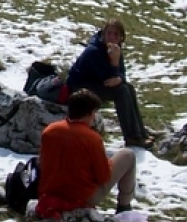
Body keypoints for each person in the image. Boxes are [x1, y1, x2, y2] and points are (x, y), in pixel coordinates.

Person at [33, 89, 137, 220]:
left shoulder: (50, 130)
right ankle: (124, 206)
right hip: (82, 197)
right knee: (128, 155)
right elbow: (103, 177)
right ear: (90, 113)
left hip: (50, 192)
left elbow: (42, 163)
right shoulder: (92, 138)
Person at [65, 19, 154, 149]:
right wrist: (115, 63)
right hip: (80, 87)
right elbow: (108, 80)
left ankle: (141, 133)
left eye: (116, 34)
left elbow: (121, 74)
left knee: (128, 88)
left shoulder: (115, 49)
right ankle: (132, 137)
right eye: (109, 33)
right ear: (103, 34)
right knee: (121, 91)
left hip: (98, 83)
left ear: (121, 37)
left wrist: (120, 78)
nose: (112, 37)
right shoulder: (94, 51)